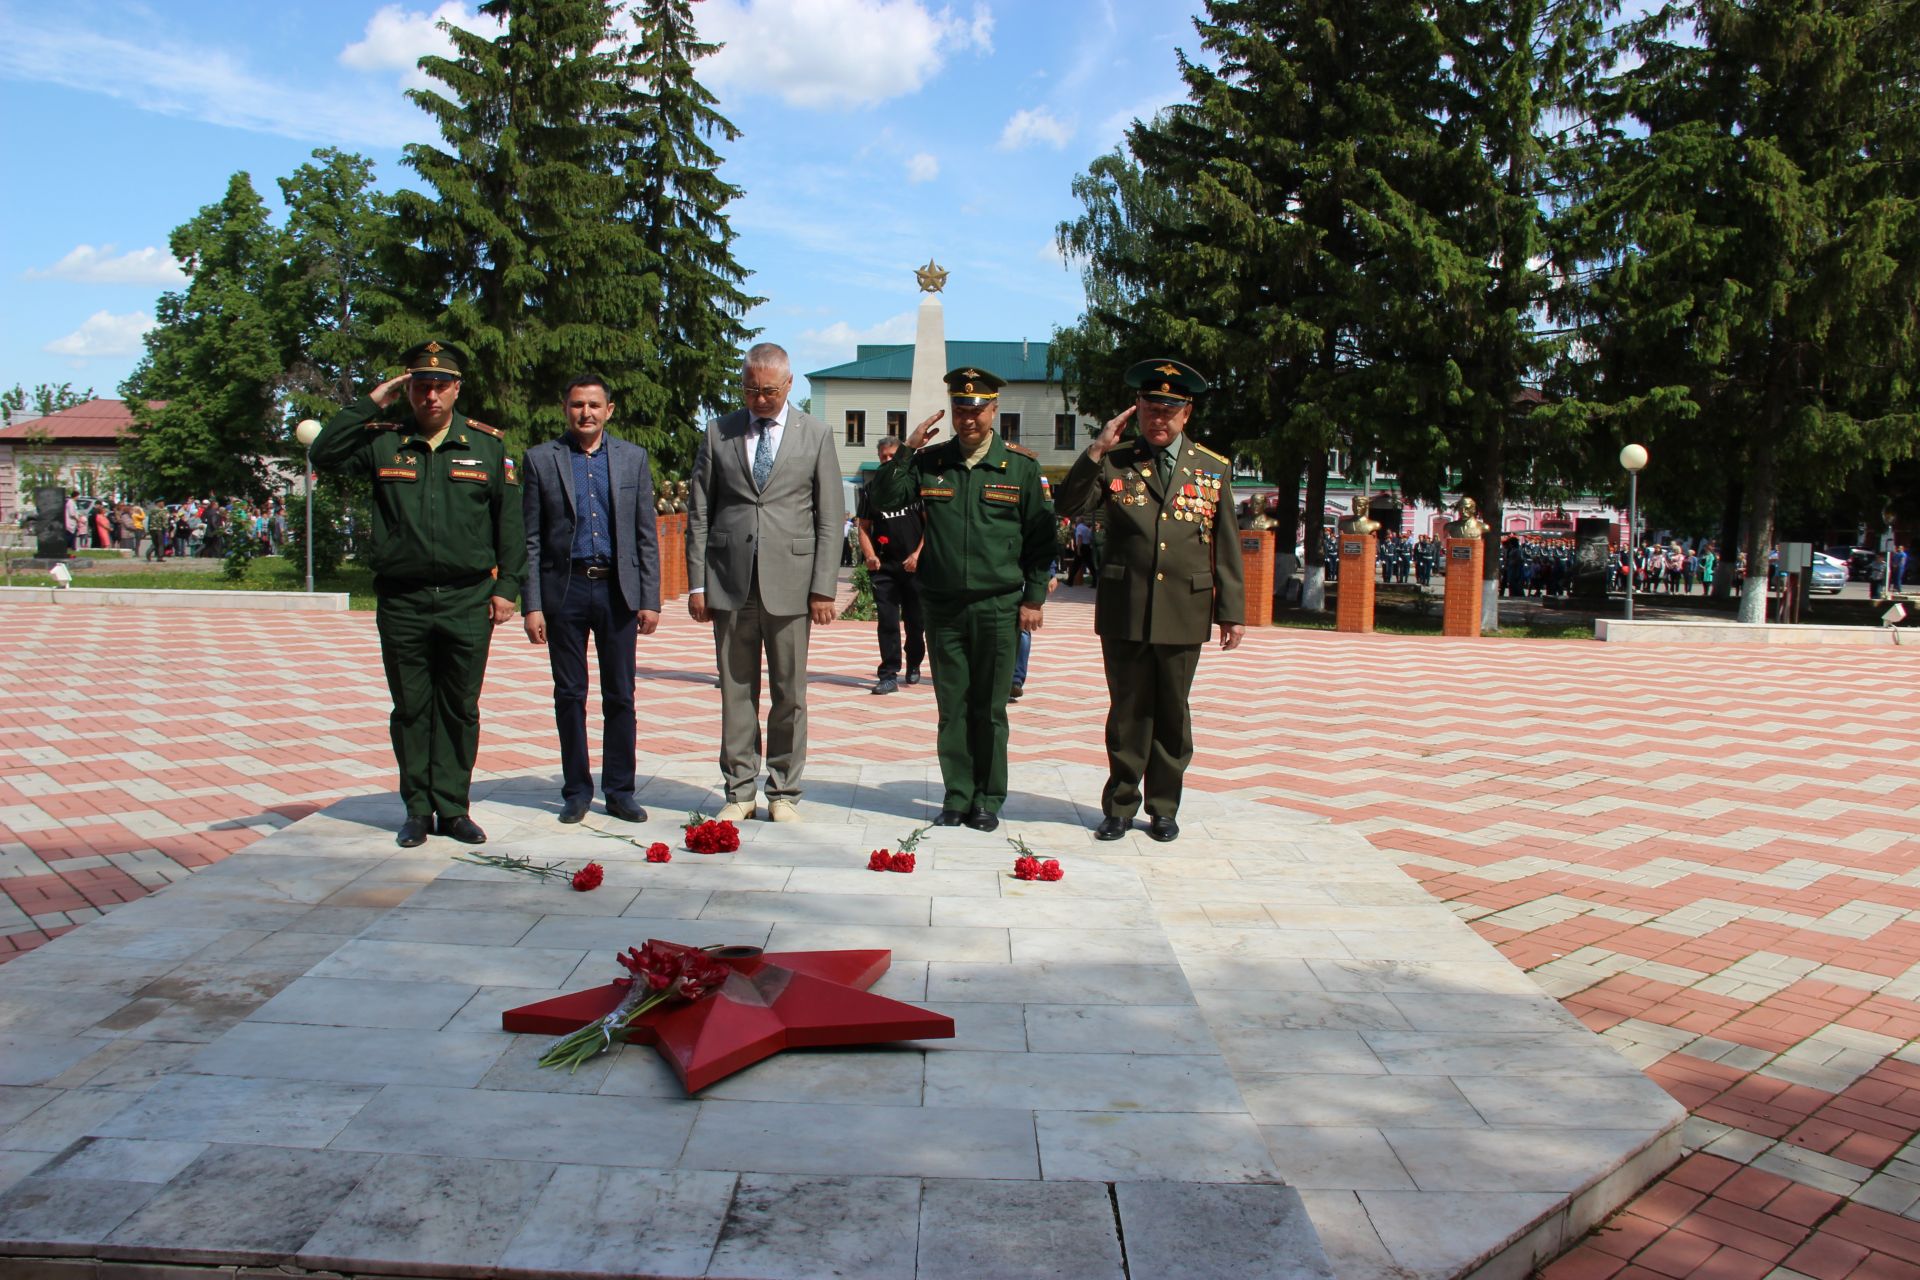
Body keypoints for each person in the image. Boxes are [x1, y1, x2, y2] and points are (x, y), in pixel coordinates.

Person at [307, 340, 526, 848]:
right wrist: (374, 401)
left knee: (459, 707)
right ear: (409, 389)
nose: (431, 395)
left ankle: (453, 808)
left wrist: (507, 587)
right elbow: (324, 452)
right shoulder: (384, 441)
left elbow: (509, 525)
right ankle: (416, 809)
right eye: (421, 385)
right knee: (410, 708)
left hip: (467, 597)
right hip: (402, 600)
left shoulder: (486, 447)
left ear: (456, 388)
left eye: (440, 385)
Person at [1055, 357, 1246, 843]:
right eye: (1149, 409)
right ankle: (1120, 804)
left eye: (1168, 410)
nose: (1157, 419)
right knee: (1128, 712)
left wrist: (1232, 612)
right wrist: (1096, 449)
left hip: (1185, 608)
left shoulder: (1211, 468)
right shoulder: (1116, 461)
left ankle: (1164, 807)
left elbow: (1225, 544)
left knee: (1172, 712)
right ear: (1136, 411)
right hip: (1126, 607)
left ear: (1186, 415)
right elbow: (1068, 506)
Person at [868, 366, 1055, 830]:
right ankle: (957, 793)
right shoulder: (931, 462)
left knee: (989, 708)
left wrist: (1033, 600)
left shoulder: (1021, 467)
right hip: (944, 606)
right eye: (959, 409)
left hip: (998, 606)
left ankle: (988, 798)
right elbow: (884, 496)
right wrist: (909, 448)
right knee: (951, 705)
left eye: (976, 409)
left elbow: (1041, 539)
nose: (967, 418)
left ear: (994, 411)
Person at [685, 342, 844, 824]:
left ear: (789, 384)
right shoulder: (719, 432)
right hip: (729, 582)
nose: (759, 400)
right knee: (735, 690)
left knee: (789, 692)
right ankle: (738, 790)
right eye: (751, 390)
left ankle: (783, 791)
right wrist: (696, 584)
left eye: (769, 391)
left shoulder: (815, 434)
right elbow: (699, 512)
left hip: (792, 585)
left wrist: (823, 587)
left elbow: (829, 516)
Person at [521, 374, 661, 825]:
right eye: (578, 404)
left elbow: (645, 534)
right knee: (570, 694)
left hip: (618, 591)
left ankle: (620, 790)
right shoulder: (541, 459)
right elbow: (531, 538)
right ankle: (576, 790)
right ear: (565, 408)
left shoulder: (632, 459)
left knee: (620, 694)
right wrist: (532, 604)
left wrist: (650, 597)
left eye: (595, 405)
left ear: (609, 410)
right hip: (566, 590)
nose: (586, 413)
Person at [856, 435, 925, 695]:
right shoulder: (872, 490)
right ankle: (888, 674)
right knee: (887, 621)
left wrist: (918, 554)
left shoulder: (916, 485)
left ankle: (914, 662)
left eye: (891, 457)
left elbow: (931, 525)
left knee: (915, 622)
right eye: (883, 457)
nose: (887, 461)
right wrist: (870, 555)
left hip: (914, 567)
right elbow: (863, 527)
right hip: (884, 567)